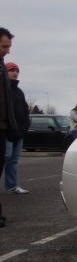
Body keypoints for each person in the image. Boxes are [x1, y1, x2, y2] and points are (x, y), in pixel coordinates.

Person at [0, 27, 18, 227]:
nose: (8, 50)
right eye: (5, 46)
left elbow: (6, 101)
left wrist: (11, 125)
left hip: (3, 127)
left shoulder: (2, 66)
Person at [3, 61, 29, 194]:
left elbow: (25, 110)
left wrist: (25, 127)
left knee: (13, 160)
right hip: (7, 132)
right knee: (5, 157)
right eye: (11, 70)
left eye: (17, 70)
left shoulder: (19, 92)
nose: (15, 73)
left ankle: (12, 186)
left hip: (19, 132)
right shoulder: (3, 90)